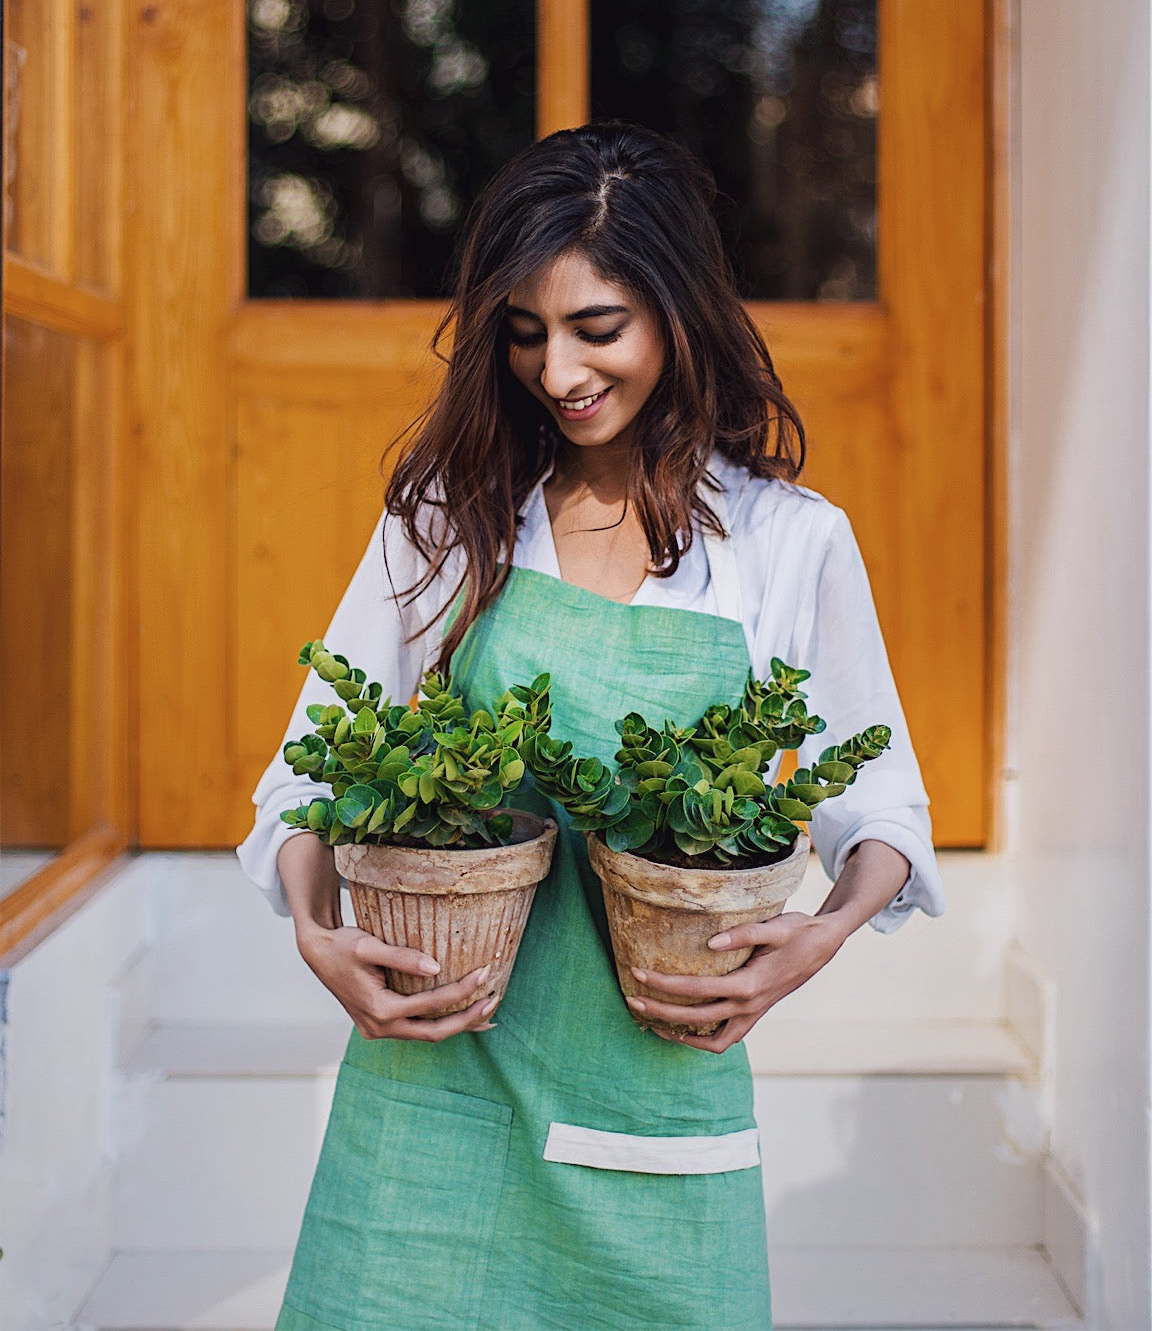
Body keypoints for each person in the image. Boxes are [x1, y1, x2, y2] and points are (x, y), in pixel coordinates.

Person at [237, 120, 944, 1331]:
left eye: (595, 328)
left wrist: (819, 936)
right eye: (524, 333)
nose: (556, 370)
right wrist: (315, 927)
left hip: (653, 1088)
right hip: (435, 1093)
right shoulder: (452, 520)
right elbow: (305, 771)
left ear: (678, 313)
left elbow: (877, 805)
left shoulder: (784, 542)